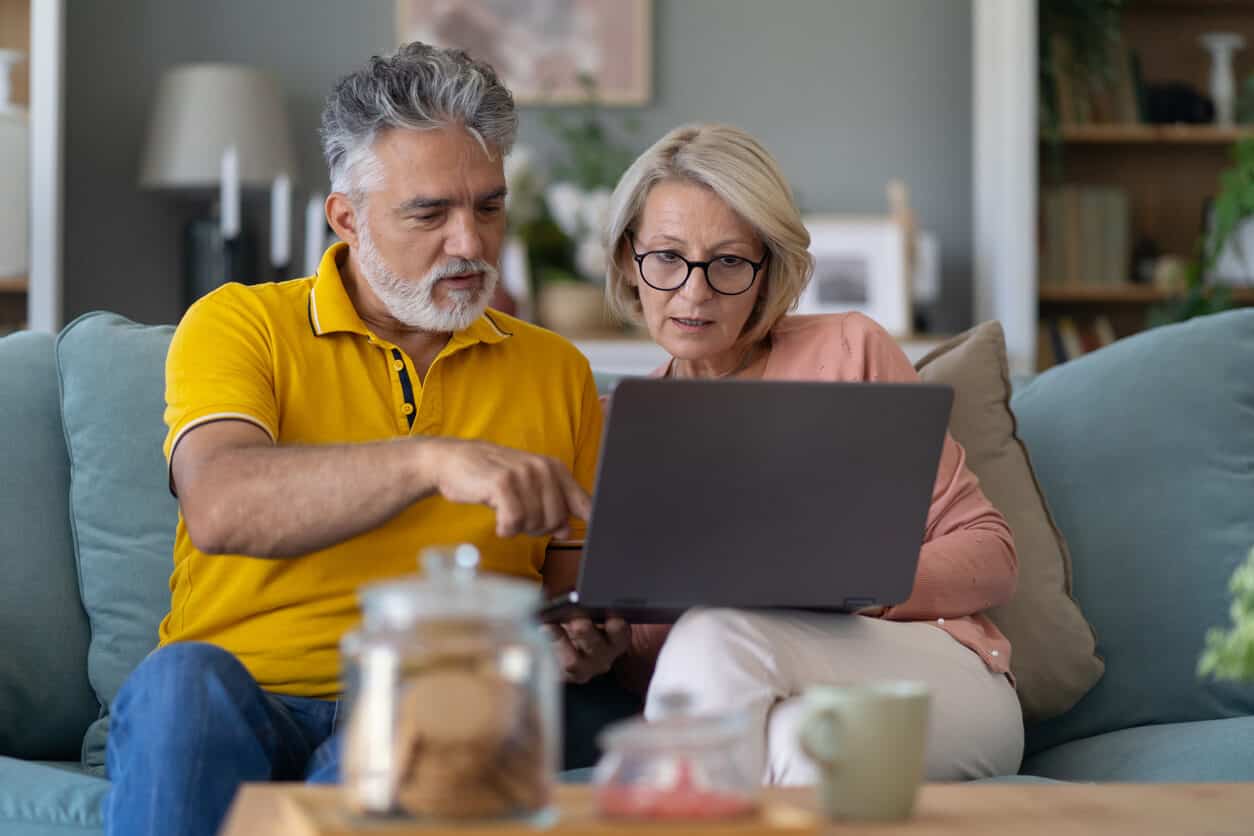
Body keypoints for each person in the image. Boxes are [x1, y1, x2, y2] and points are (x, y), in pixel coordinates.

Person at [104, 43, 637, 836]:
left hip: (430, 700)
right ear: (347, 218)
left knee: (425, 716)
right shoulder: (240, 324)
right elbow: (221, 505)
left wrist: (586, 644)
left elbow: (571, 592)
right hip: (237, 695)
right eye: (429, 213)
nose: (470, 243)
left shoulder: (554, 370)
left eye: (488, 208)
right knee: (178, 682)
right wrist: (429, 461)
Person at [598, 123, 1024, 784]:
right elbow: (651, 665)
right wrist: (607, 645)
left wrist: (853, 586)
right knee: (804, 750)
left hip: (929, 672)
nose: (694, 290)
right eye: (666, 256)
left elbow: (993, 554)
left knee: (718, 632)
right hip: (769, 706)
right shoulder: (612, 429)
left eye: (729, 262)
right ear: (629, 259)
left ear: (769, 268)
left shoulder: (849, 350)